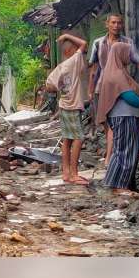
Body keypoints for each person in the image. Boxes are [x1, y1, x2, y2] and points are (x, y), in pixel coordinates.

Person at [88, 13, 139, 166]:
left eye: (119, 23)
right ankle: (113, 158)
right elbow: (93, 70)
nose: (116, 26)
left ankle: (113, 158)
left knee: (120, 123)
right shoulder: (98, 43)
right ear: (107, 24)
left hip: (121, 87)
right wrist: (90, 91)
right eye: (113, 22)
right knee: (108, 125)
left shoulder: (127, 43)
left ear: (122, 25)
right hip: (102, 88)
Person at [95, 42, 139, 197]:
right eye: (127, 53)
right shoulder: (116, 74)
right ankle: (119, 185)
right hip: (124, 116)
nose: (129, 57)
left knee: (130, 149)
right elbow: (128, 96)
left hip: (128, 116)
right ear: (120, 54)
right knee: (125, 150)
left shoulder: (120, 72)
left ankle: (123, 183)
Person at [45, 33, 90, 185]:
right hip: (72, 107)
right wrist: (66, 35)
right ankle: (74, 174)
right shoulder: (72, 61)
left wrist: (62, 89)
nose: (79, 52)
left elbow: (49, 85)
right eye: (75, 49)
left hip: (64, 105)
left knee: (67, 140)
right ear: (68, 51)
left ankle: (66, 172)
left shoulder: (61, 67)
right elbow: (84, 43)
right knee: (78, 138)